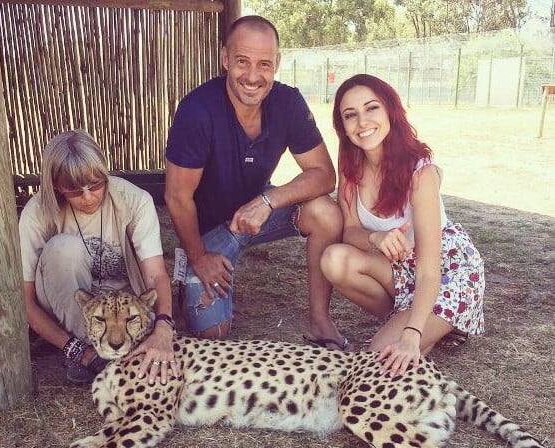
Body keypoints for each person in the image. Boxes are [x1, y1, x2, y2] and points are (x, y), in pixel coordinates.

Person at [164, 15, 347, 349]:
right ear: (225, 59)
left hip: (256, 214)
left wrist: (268, 201)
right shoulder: (197, 111)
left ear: (277, 64)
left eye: (264, 64)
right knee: (213, 333)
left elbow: (324, 174)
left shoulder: (288, 102)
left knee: (326, 212)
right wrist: (200, 256)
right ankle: (190, 275)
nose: (252, 76)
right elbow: (177, 197)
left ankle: (319, 321)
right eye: (242, 62)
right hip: (209, 233)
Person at [321, 74, 484, 376]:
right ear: (342, 125)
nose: (362, 121)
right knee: (334, 259)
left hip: (445, 273)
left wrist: (410, 337)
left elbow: (428, 270)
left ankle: (421, 326)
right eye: (350, 115)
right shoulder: (350, 168)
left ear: (390, 111)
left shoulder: (421, 171)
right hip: (398, 268)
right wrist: (375, 236)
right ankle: (419, 323)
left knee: (377, 357)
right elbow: (350, 232)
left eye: (372, 108)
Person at [19, 130, 177, 385]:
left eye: (96, 185)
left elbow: (156, 274)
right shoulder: (36, 213)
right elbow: (24, 303)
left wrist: (164, 325)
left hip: (125, 307)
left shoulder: (135, 200)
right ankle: (80, 348)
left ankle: (114, 345)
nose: (89, 197)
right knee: (63, 249)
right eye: (74, 190)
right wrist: (75, 349)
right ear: (56, 185)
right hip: (65, 304)